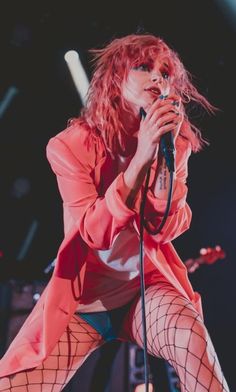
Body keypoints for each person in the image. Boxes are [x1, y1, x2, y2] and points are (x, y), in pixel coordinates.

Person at [0, 33, 229, 392]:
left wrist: (162, 157)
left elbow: (165, 228)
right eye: (143, 67)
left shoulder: (175, 144)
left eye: (165, 73)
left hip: (144, 292)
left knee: (191, 339)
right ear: (115, 79)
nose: (158, 78)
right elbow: (93, 233)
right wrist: (139, 158)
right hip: (83, 301)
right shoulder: (69, 146)